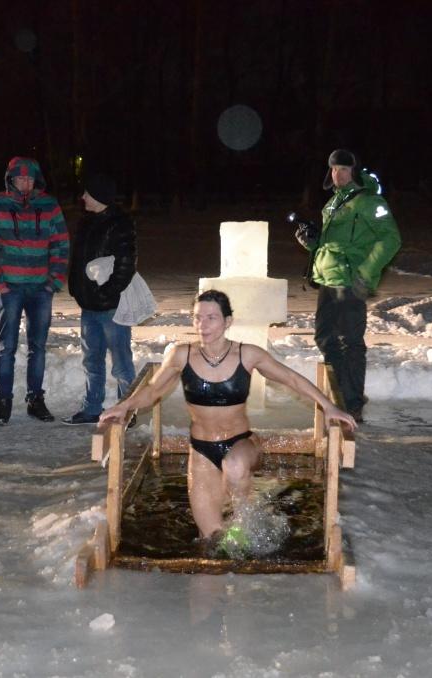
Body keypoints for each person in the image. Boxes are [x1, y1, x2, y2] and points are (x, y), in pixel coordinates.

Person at [100, 290, 357, 544]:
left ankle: (247, 519)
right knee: (210, 537)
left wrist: (328, 406)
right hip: (201, 450)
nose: (203, 324)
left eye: (211, 317)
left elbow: (291, 378)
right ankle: (238, 532)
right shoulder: (181, 355)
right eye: (198, 317)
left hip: (241, 444)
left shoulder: (247, 354)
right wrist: (125, 406)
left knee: (234, 468)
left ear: (228, 321)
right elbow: (153, 390)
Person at [295, 149, 401, 422]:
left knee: (350, 341)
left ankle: (352, 403)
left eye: (343, 169)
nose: (338, 174)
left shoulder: (369, 201)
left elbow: (391, 239)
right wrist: (312, 243)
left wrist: (365, 273)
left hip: (351, 281)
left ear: (355, 171)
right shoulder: (334, 202)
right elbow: (333, 244)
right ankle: (340, 394)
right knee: (325, 338)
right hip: (328, 279)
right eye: (333, 169)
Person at [0, 157, 69, 425]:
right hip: (9, 288)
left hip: (41, 289)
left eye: (30, 179)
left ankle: (35, 400)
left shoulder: (49, 206)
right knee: (6, 347)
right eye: (20, 178)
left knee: (38, 347)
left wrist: (54, 281)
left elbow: (61, 244)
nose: (25, 184)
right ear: (10, 180)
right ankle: (3, 401)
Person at [62, 173, 137, 425]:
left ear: (99, 196)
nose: (83, 197)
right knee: (91, 360)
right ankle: (92, 407)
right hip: (88, 306)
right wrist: (77, 288)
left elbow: (126, 264)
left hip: (111, 308)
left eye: (87, 192)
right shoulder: (86, 222)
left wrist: (108, 293)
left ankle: (127, 411)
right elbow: (79, 260)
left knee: (121, 362)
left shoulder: (120, 223)